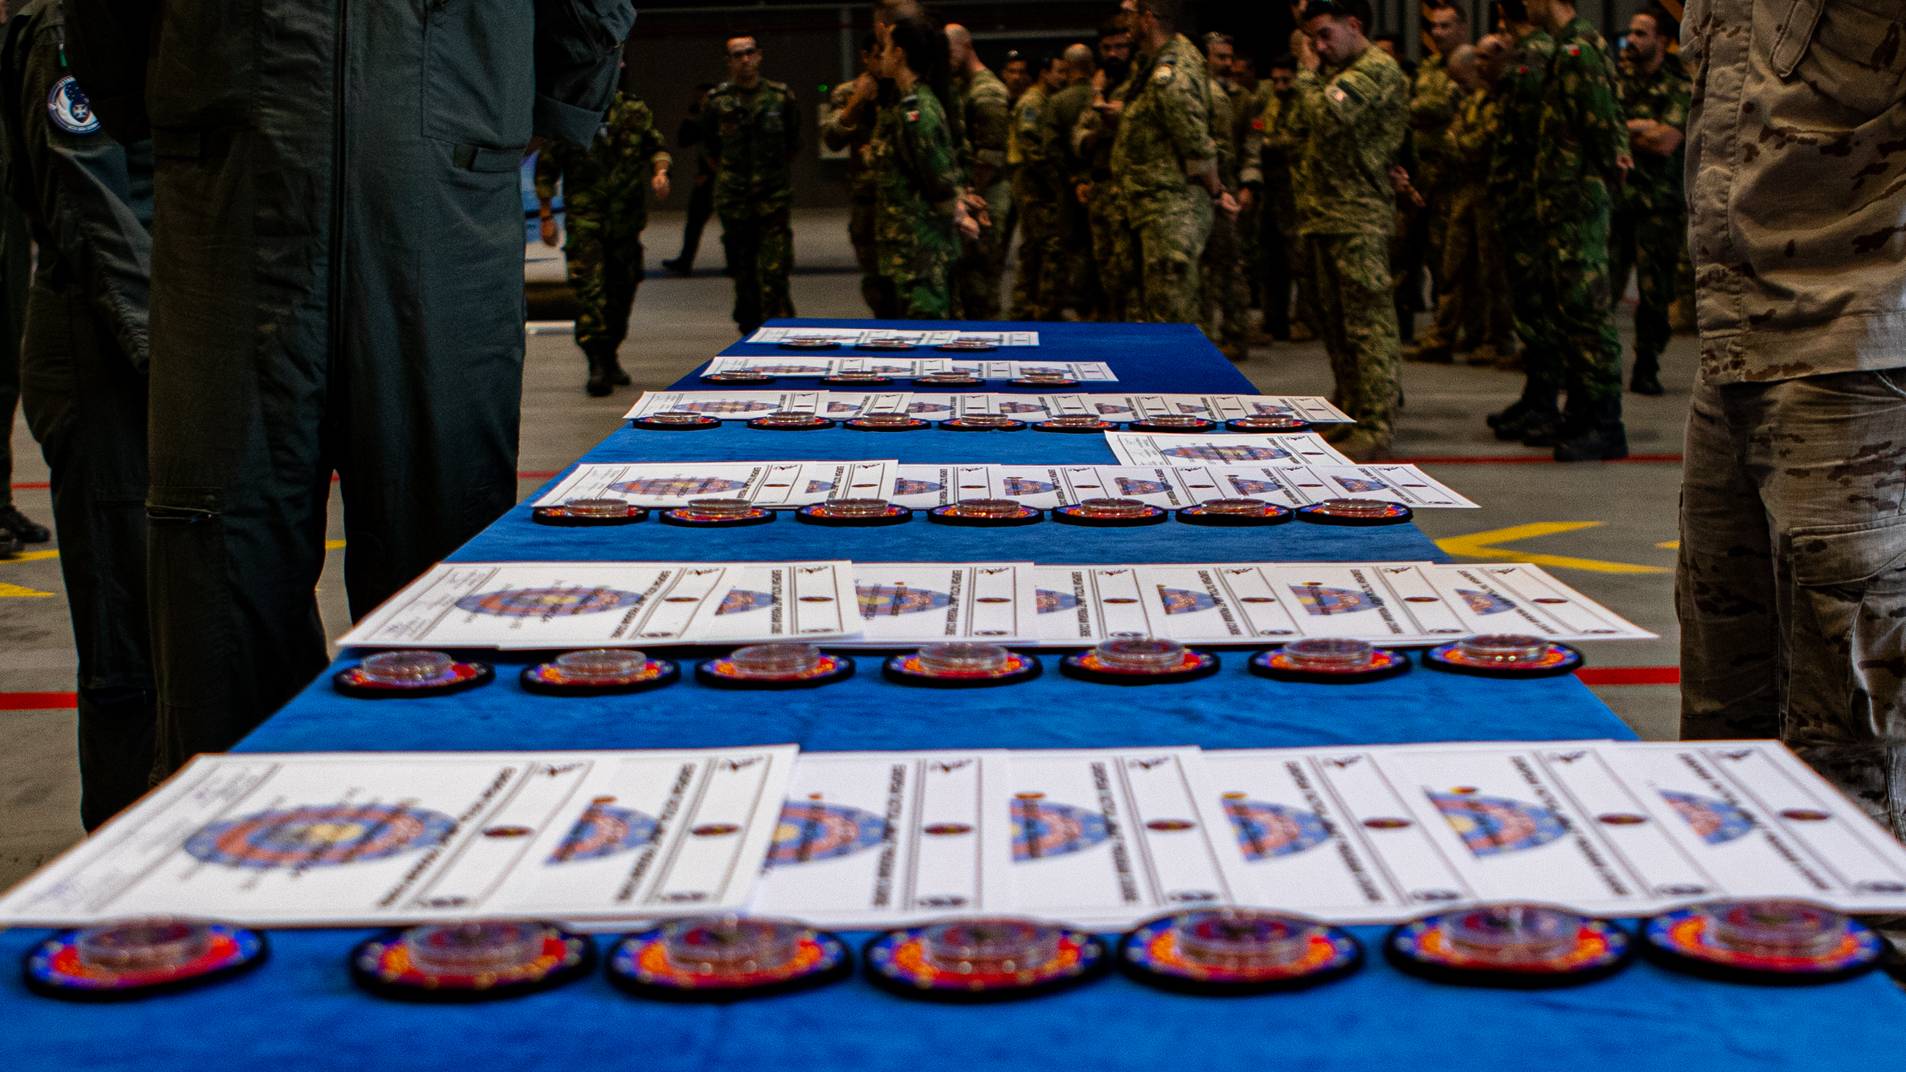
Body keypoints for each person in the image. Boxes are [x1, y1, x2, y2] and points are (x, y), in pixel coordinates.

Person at [63, 0, 633, 769]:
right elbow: (108, 39)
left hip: (425, 201)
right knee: (220, 575)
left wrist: (511, 105)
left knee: (447, 571)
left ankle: (443, 848)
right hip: (239, 206)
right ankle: (230, 857)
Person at [1677, 0, 1906, 846]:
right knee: (1720, 725)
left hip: (1857, 349)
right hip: (1735, 341)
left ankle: (1872, 964)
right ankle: (1729, 951)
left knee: (1851, 754)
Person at [0, 0, 154, 829]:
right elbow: (92, 213)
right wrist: (175, 365)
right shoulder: (65, 23)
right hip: (105, 357)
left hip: (159, 343)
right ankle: (126, 847)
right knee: (126, 638)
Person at [1287, 0, 1408, 460]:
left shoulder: (1376, 70)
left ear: (1354, 25)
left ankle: (1376, 423)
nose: (1318, 47)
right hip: (1328, 213)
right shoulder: (1335, 75)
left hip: (1358, 216)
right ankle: (1352, 409)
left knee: (1367, 324)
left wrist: (1306, 71)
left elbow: (1325, 117)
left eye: (1324, 35)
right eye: (1312, 39)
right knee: (1336, 323)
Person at [1529, 0, 1632, 461]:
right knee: (1569, 310)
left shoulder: (1579, 50)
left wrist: (1607, 176)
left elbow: (1601, 123)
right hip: (1564, 199)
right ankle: (1582, 411)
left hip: (1579, 200)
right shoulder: (1565, 47)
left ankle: (1606, 423)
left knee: (1588, 312)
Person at [536, 84, 671, 397]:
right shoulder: (571, 113)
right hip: (587, 222)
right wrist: (546, 216)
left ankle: (610, 354)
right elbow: (547, 168)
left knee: (621, 294)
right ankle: (595, 362)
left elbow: (658, 148)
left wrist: (660, 173)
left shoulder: (634, 110)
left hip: (625, 224)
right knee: (590, 293)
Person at [1112, 0, 1235, 328]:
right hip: (1155, 207)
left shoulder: (1170, 72)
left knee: (1173, 316)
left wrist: (1215, 189)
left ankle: (1182, 382)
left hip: (1170, 210)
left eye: (1129, 14)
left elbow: (1195, 142)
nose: (1124, 21)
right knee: (1161, 309)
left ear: (1147, 18)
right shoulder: (1153, 63)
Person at [1484, 0, 1563, 441]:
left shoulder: (1532, 56)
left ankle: (1545, 402)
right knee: (1529, 308)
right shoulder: (1531, 54)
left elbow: (1526, 135)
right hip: (1521, 198)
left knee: (1537, 307)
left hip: (1527, 200)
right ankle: (1536, 396)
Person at [871, 14, 978, 319]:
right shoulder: (906, 102)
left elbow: (938, 175)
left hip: (923, 243)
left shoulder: (918, 109)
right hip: (911, 242)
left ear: (900, 54)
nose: (881, 55)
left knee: (927, 331)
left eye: (886, 48)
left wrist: (958, 212)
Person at [1611, 6, 1688, 397]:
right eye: (1632, 33)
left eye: (1643, 34)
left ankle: (1646, 364)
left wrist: (1625, 133)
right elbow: (1599, 132)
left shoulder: (1678, 86)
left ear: (1662, 40)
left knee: (1655, 293)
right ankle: (1599, 368)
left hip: (1659, 205)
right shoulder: (1616, 82)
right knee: (1600, 290)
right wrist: (1639, 128)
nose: (1633, 40)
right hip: (1617, 203)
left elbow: (1665, 143)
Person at [703, 35, 801, 335]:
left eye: (749, 52)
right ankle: (749, 331)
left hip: (772, 199)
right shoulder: (717, 102)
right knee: (743, 273)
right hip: (735, 201)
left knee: (775, 271)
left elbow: (793, 144)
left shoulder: (780, 97)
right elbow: (709, 149)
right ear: (729, 61)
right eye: (737, 54)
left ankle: (779, 331)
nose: (745, 59)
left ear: (759, 56)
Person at [1399, 2, 1470, 364]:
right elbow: (1416, 108)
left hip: (1455, 178)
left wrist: (1417, 109)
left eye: (1445, 26)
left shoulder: (1470, 64)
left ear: (1462, 27)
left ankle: (1450, 333)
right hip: (1422, 175)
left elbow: (1437, 108)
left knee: (1449, 260)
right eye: (1434, 26)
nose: (1439, 32)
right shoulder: (1428, 67)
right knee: (1418, 253)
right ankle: (1432, 329)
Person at [1073, 17, 1139, 322]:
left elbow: (1125, 129)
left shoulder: (1137, 84)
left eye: (1120, 47)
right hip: (1100, 188)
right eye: (1107, 48)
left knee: (1131, 271)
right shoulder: (1099, 86)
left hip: (1129, 189)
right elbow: (1079, 136)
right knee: (1107, 270)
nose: (1114, 54)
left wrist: (1104, 114)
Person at [947, 24, 1013, 320]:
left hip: (988, 196)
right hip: (974, 195)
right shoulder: (964, 87)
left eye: (950, 52)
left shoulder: (988, 92)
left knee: (982, 286)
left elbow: (990, 155)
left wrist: (971, 192)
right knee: (968, 284)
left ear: (966, 46)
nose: (947, 60)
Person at [822, 37, 892, 316]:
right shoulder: (848, 92)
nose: (882, 61)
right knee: (875, 279)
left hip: (903, 198)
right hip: (867, 199)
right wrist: (857, 102)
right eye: (878, 55)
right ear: (866, 57)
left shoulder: (903, 89)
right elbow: (832, 138)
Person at [1201, 31, 1253, 360]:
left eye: (1228, 57)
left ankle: (1236, 333)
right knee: (1203, 269)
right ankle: (1206, 335)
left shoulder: (1242, 98)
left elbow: (1251, 143)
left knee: (1231, 264)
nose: (1226, 63)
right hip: (1201, 189)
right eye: (1219, 56)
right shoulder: (1196, 93)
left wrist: (1250, 183)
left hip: (1229, 188)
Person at [1038, 44, 1097, 321]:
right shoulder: (1103, 97)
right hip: (1103, 184)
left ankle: (1069, 304)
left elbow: (1051, 148)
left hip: (1068, 188)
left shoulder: (1058, 102)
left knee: (1069, 247)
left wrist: (1071, 179)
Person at [1253, 55, 1309, 342]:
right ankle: (1273, 318)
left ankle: (1304, 319)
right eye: (1275, 80)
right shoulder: (1270, 101)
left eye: (1286, 80)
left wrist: (1267, 143)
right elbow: (1258, 128)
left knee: (1299, 257)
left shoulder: (1305, 103)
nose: (1280, 85)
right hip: (1272, 187)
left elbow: (1299, 139)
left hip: (1295, 187)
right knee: (1269, 257)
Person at [1008, 54, 1063, 320]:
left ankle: (1028, 306)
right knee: (1041, 244)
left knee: (1035, 247)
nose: (1063, 77)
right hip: (1032, 181)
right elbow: (1030, 147)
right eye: (1059, 71)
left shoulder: (1046, 101)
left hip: (1035, 180)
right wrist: (1055, 180)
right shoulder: (1033, 102)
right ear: (1044, 73)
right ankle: (1030, 308)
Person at [661, 84, 719, 277]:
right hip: (706, 179)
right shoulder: (700, 119)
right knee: (694, 222)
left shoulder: (723, 117)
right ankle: (685, 260)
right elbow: (684, 140)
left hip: (726, 178)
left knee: (737, 225)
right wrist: (693, 117)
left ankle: (740, 262)